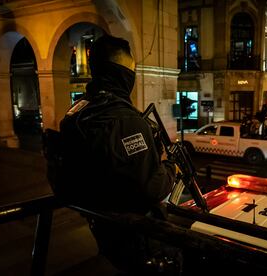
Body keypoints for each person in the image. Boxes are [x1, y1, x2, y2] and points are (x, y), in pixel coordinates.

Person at [58, 34, 179, 274]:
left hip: (100, 225)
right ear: (122, 73)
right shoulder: (127, 121)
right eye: (132, 70)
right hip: (136, 234)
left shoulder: (77, 112)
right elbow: (150, 189)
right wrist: (169, 168)